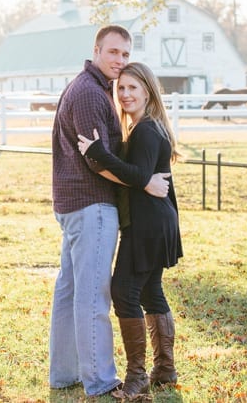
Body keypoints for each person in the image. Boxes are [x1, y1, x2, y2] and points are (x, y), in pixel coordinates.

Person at [49, 25, 171, 398]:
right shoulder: (89, 94)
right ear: (97, 50)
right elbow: (96, 162)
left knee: (71, 292)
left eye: (125, 55)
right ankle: (100, 380)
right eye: (113, 53)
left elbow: (102, 154)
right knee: (92, 295)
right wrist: (144, 182)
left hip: (79, 205)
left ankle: (64, 373)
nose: (119, 61)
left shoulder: (94, 90)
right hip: (91, 204)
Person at [77, 62, 183, 400]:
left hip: (148, 224)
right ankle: (165, 369)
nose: (124, 95)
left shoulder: (147, 131)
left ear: (148, 91)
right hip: (158, 220)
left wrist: (99, 155)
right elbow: (142, 177)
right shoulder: (147, 128)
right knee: (150, 291)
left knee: (124, 291)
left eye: (132, 88)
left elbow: (138, 173)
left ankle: (137, 378)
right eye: (120, 89)